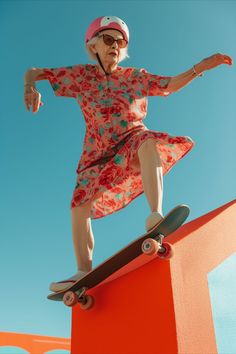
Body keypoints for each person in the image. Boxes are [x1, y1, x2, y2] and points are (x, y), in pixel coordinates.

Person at [24, 16, 233, 292]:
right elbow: (34, 71)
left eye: (120, 42)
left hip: (130, 141)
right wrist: (30, 87)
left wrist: (199, 67)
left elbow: (169, 84)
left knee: (147, 141)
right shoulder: (81, 76)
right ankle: (82, 271)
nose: (115, 46)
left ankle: (155, 214)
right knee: (78, 205)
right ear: (93, 45)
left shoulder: (135, 77)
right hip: (96, 157)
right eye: (108, 39)